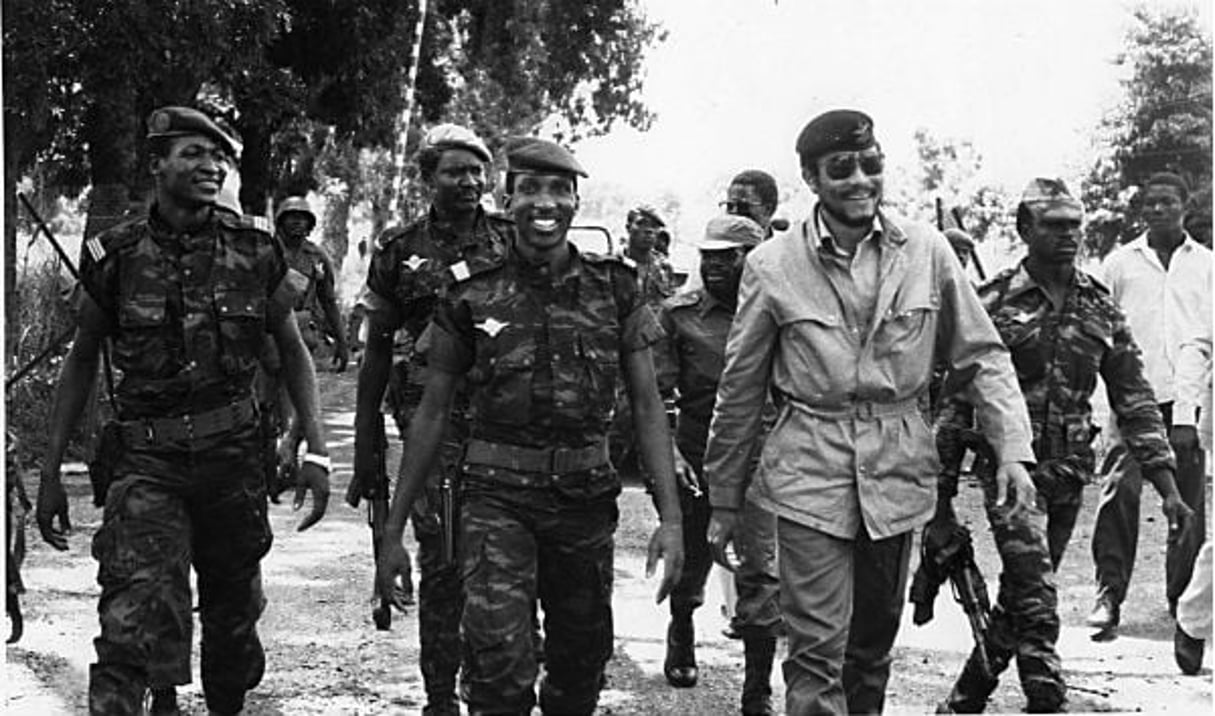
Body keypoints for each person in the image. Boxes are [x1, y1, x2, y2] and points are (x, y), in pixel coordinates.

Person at [702, 109, 1037, 715]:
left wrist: (1013, 448)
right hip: (809, 467)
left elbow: (984, 355)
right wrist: (724, 501)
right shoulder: (772, 265)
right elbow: (741, 389)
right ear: (811, 178)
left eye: (871, 164)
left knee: (871, 650)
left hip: (897, 467)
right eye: (841, 169)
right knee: (814, 650)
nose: (860, 179)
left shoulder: (928, 252)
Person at [35, 106, 330, 716]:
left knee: (233, 621)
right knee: (132, 617)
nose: (211, 166)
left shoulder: (254, 248)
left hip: (232, 462)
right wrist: (50, 473)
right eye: (192, 153)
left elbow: (294, 351)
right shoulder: (114, 253)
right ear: (156, 164)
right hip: (147, 461)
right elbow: (82, 360)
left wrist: (317, 449)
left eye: (218, 156)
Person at [374, 136, 684, 715]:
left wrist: (671, 519)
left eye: (560, 190)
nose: (546, 202)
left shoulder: (614, 287)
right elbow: (433, 412)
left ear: (575, 201)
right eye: (531, 189)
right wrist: (393, 531)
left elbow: (647, 406)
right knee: (497, 668)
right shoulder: (470, 291)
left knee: (580, 666)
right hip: (495, 500)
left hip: (585, 502)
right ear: (507, 197)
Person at [931, 178, 1192, 713]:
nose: (1068, 234)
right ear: (1025, 230)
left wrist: (1167, 489)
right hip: (1009, 474)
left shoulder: (1098, 304)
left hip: (1069, 473)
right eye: (1053, 225)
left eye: (1075, 224)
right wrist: (940, 503)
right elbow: (956, 403)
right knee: (1038, 598)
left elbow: (1134, 398)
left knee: (1020, 597)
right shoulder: (991, 302)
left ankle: (963, 701)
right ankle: (1046, 697)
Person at [353, 123, 510, 715]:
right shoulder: (398, 249)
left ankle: (493, 686)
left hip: (501, 424)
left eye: (476, 170)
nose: (468, 181)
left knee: (500, 557)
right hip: (430, 427)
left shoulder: (511, 239)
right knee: (442, 557)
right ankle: (440, 695)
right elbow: (375, 349)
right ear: (428, 178)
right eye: (454, 170)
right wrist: (367, 442)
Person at [653, 215, 780, 713]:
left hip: (764, 456)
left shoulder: (779, 310)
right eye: (708, 256)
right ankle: (681, 628)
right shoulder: (678, 315)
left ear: (753, 258)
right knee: (691, 558)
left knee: (762, 572)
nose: (714, 266)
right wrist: (672, 457)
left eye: (727, 256)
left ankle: (758, 687)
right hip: (698, 448)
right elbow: (654, 397)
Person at [1087, 172, 1212, 636]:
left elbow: (1206, 342)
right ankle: (1108, 594)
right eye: (1150, 203)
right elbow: (1098, 335)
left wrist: (1191, 409)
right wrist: (1104, 410)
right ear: (1141, 211)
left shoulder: (1206, 266)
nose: (1158, 210)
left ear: (1185, 206)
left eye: (1167, 202)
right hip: (1130, 401)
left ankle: (1182, 601)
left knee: (1188, 501)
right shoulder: (1119, 264)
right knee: (1120, 493)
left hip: (1187, 402)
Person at [264, 196, 348, 493]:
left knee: (297, 403)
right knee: (260, 403)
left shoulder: (316, 256)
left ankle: (288, 457)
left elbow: (328, 300)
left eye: (303, 217)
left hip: (301, 333)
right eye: (291, 217)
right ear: (280, 221)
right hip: (265, 336)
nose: (297, 222)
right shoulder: (266, 250)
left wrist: (342, 340)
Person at [610, 203, 678, 483]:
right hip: (618, 356)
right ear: (628, 228)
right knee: (615, 428)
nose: (649, 234)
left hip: (655, 358)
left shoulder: (663, 268)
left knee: (654, 431)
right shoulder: (610, 266)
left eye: (654, 229)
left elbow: (669, 309)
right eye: (642, 226)